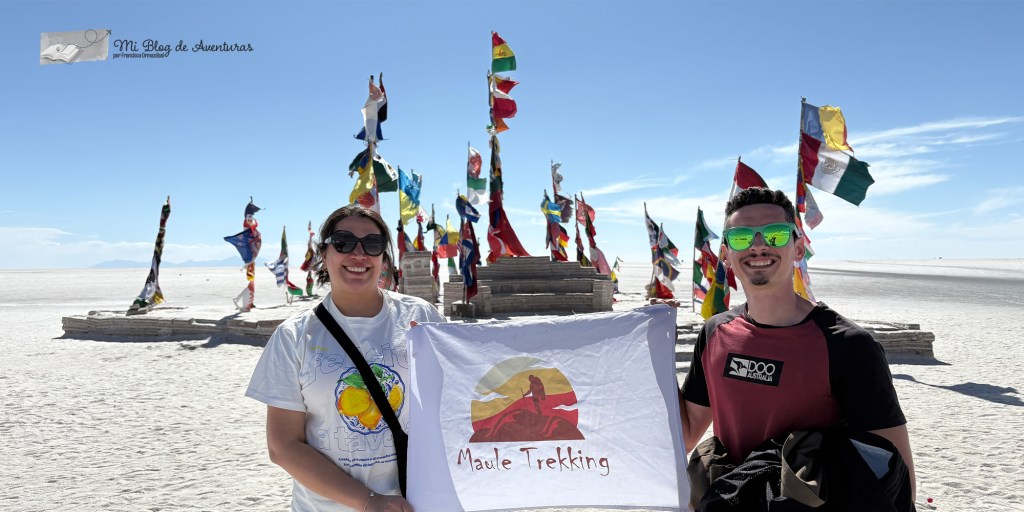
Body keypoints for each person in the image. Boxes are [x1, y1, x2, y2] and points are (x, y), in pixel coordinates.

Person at [678, 188, 916, 501]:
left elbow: (896, 477)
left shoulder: (848, 346)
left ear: (799, 248)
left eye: (775, 235)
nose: (758, 245)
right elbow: (685, 434)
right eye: (741, 237)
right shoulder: (714, 334)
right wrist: (650, 346)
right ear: (726, 255)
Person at [246, 205, 445, 512]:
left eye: (373, 244)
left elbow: (453, 405)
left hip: (416, 502)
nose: (359, 254)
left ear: (384, 259)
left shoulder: (420, 317)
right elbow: (283, 446)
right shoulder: (294, 336)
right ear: (324, 254)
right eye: (344, 242)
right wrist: (368, 502)